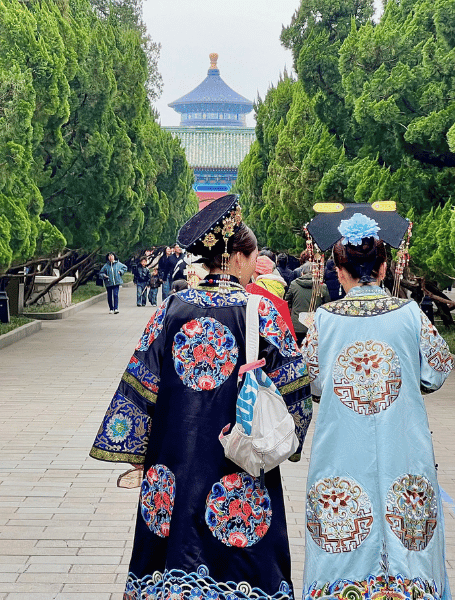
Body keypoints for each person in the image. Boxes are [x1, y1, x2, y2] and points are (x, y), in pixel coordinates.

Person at [90, 195, 312, 600]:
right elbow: (296, 388)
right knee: (242, 555)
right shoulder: (260, 310)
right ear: (240, 259)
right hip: (240, 459)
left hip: (174, 460)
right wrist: (286, 435)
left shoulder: (171, 309)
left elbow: (139, 387)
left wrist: (139, 453)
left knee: (174, 556)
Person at [301, 205, 453, 599]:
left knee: (341, 535)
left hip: (341, 452)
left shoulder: (323, 319)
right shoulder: (411, 313)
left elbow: (312, 382)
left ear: (339, 271)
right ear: (384, 269)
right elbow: (437, 371)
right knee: (409, 541)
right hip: (403, 447)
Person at [284, 262, 331, 345]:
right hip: (314, 325)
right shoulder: (322, 287)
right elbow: (327, 306)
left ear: (302, 273)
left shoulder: (294, 285)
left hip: (297, 325)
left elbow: (287, 302)